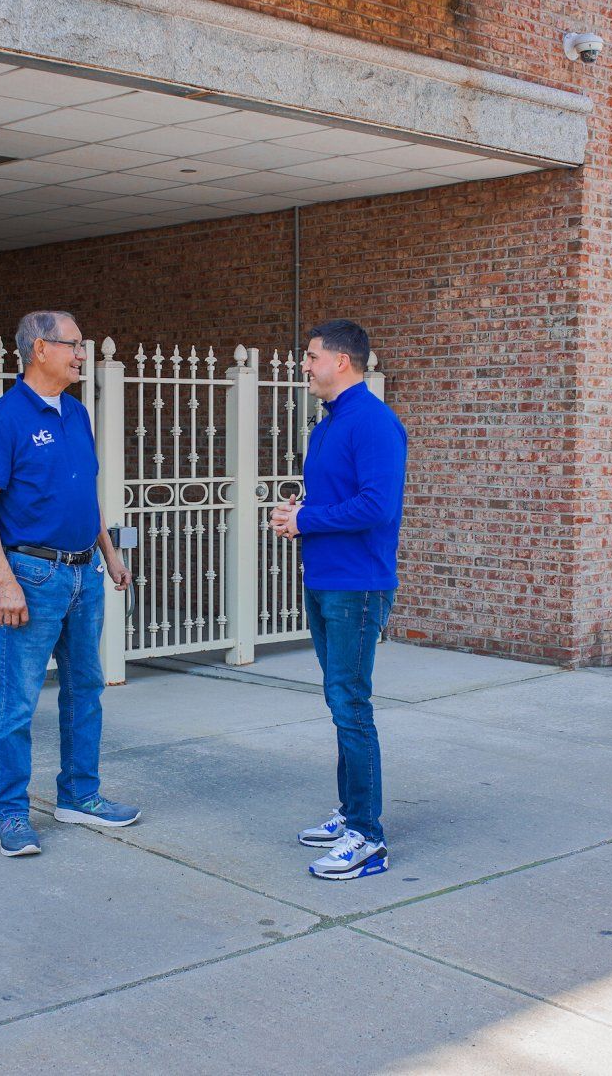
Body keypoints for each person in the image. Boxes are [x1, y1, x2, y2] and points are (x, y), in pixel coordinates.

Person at [0, 310, 137, 857]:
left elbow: (85, 493)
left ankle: (79, 796)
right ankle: (11, 814)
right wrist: (5, 580)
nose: (82, 354)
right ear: (40, 349)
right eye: (74, 345)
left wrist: (109, 554)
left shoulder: (77, 413)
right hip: (33, 576)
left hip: (85, 572)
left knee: (86, 689)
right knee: (17, 701)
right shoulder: (4, 419)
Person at [269, 319, 406, 881]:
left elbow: (377, 505)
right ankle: (352, 814)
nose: (304, 365)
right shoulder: (328, 424)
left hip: (358, 586)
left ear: (341, 361)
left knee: (351, 705)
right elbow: (334, 499)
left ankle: (367, 838)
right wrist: (299, 512)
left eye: (311, 356)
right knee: (339, 700)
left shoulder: (373, 422)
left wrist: (306, 519)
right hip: (326, 580)